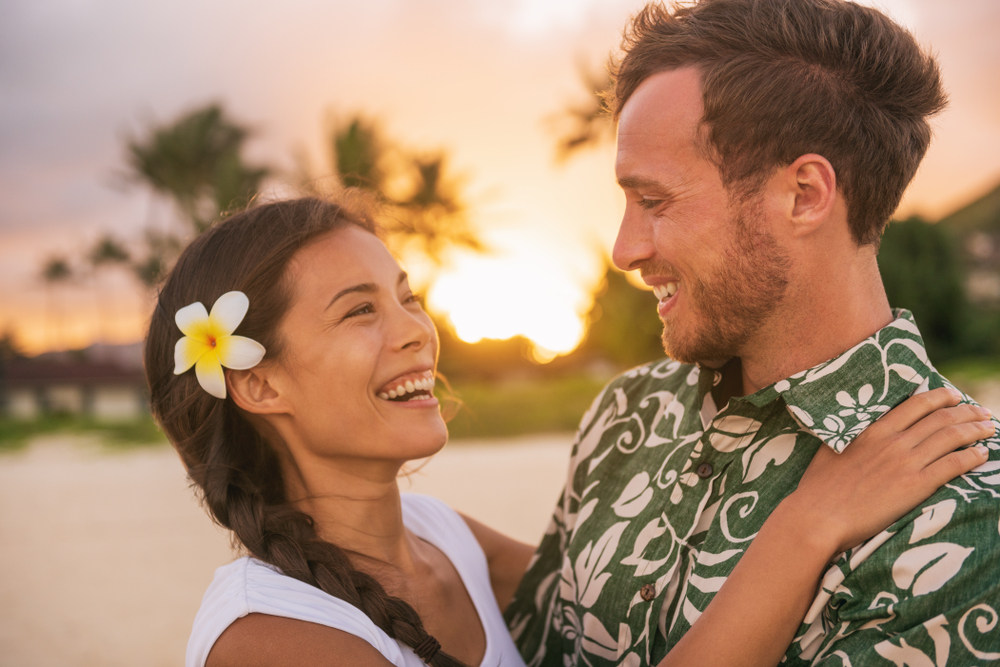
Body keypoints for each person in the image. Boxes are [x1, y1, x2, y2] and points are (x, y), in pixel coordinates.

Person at [145, 197, 990, 667]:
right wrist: (806, 524)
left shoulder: (442, 540)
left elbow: (604, 598)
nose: (414, 329)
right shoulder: (272, 640)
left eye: (405, 294)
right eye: (360, 311)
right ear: (258, 382)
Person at [505, 1, 1000, 665]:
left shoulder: (965, 518)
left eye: (654, 201)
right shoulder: (626, 414)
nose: (624, 250)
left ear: (804, 195)